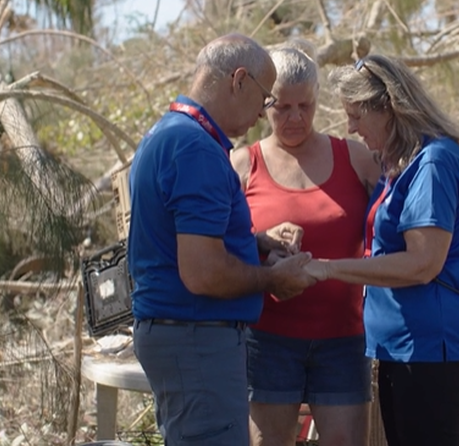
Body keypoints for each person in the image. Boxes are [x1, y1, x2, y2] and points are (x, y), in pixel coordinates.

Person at [127, 33, 318, 446]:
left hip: (181, 334)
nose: (260, 114)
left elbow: (185, 240)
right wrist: (273, 278)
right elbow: (203, 272)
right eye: (266, 98)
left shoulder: (168, 133)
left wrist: (256, 243)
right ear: (239, 80)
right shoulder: (195, 148)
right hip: (197, 338)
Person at [305, 54, 459, 446]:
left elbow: (421, 263)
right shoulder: (402, 164)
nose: (351, 127)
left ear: (387, 107)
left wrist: (329, 269)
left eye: (356, 115)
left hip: (433, 351)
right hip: (404, 349)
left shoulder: (434, 162)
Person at [231, 40, 381, 446]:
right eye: (282, 107)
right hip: (267, 338)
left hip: (343, 339)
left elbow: (403, 216)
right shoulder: (243, 165)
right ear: (264, 105)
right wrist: (261, 243)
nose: (295, 117)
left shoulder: (356, 158)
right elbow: (217, 246)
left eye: (306, 106)